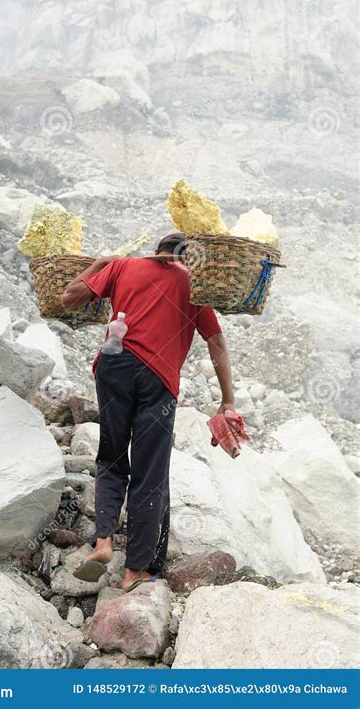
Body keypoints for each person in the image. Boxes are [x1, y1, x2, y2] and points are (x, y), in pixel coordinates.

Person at [61, 232, 235, 592]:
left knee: (110, 458)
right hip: (158, 381)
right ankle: (135, 570)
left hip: (113, 368)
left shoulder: (123, 267)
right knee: (149, 472)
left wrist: (98, 264)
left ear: (157, 252)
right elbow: (216, 341)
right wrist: (227, 400)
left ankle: (104, 542)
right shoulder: (195, 285)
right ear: (187, 258)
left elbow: (68, 296)